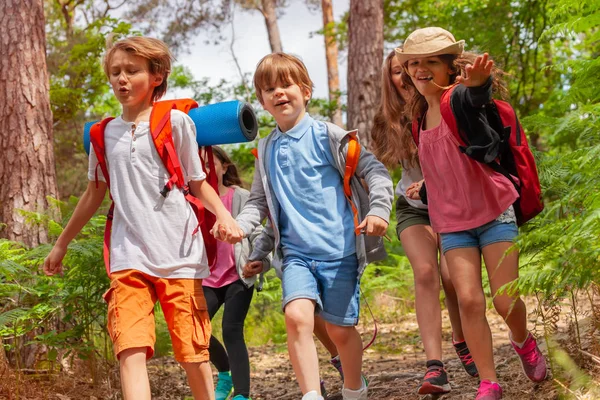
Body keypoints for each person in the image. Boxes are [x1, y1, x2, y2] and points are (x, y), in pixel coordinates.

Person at [43, 36, 243, 400]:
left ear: (157, 75)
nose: (121, 79)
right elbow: (93, 194)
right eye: (115, 72)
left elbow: (197, 182)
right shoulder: (102, 134)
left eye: (131, 71)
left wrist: (225, 217)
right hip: (127, 255)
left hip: (179, 254)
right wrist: (61, 244)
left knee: (193, 353)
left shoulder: (176, 122)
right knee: (130, 348)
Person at [224, 52, 394, 400]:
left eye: (286, 85)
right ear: (262, 101)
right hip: (297, 256)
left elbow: (375, 171)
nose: (279, 93)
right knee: (297, 318)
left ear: (306, 91)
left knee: (340, 331)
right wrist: (243, 231)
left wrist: (378, 210)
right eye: (269, 89)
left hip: (340, 251)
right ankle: (311, 394)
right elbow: (261, 203)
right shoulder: (267, 148)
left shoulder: (329, 136)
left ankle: (353, 388)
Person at [396, 27, 548, 399]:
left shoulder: (458, 99)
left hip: (494, 214)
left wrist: (480, 85)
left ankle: (522, 339)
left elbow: (474, 104)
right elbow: (451, 165)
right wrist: (428, 189)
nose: (421, 69)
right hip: (453, 225)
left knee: (503, 299)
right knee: (468, 300)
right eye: (414, 63)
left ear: (450, 68)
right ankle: (488, 382)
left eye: (431, 61)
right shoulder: (418, 120)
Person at [371, 50, 478, 396]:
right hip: (412, 207)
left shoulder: (440, 103)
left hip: (449, 204)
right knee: (426, 272)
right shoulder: (386, 119)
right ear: (389, 80)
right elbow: (377, 173)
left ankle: (461, 337)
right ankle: (435, 366)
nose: (403, 76)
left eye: (407, 69)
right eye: (395, 72)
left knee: (452, 278)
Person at [203, 146, 273, 400]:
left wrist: (261, 260)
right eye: (200, 164)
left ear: (224, 167)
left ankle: (242, 394)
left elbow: (259, 233)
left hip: (238, 274)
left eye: (212, 163)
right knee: (194, 330)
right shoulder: (193, 200)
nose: (207, 168)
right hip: (205, 278)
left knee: (232, 330)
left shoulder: (241, 196)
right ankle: (224, 373)